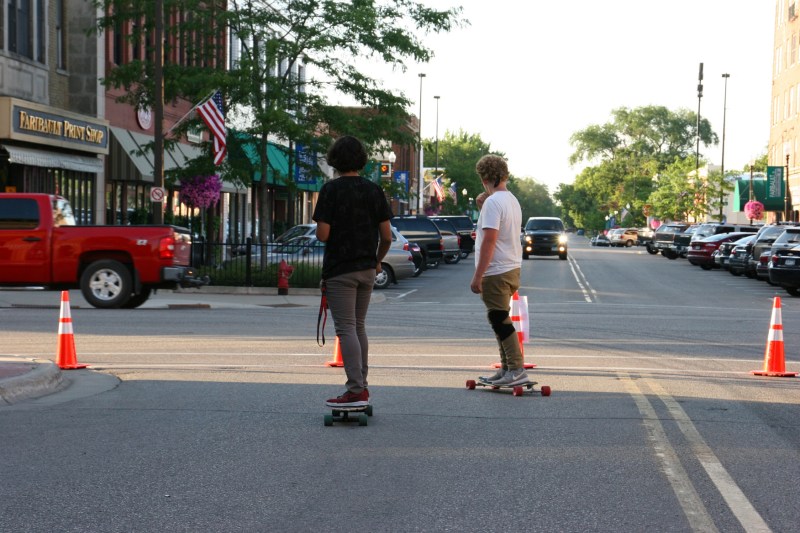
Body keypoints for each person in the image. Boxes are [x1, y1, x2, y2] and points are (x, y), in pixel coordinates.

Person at [313, 136, 393, 407]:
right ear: (361, 159)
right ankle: (362, 385)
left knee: (345, 328)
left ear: (335, 159)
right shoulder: (373, 191)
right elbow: (387, 237)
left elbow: (323, 235)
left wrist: (326, 226)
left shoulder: (330, 190)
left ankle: (355, 389)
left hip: (340, 269)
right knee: (358, 327)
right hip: (367, 268)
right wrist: (377, 259)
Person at [469, 154, 528, 386]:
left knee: (500, 319)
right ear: (504, 175)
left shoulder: (494, 203)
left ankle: (516, 368)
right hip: (511, 267)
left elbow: (490, 241)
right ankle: (506, 369)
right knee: (498, 318)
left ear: (485, 178)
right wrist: (484, 205)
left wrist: (478, 275)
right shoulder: (511, 200)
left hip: (496, 270)